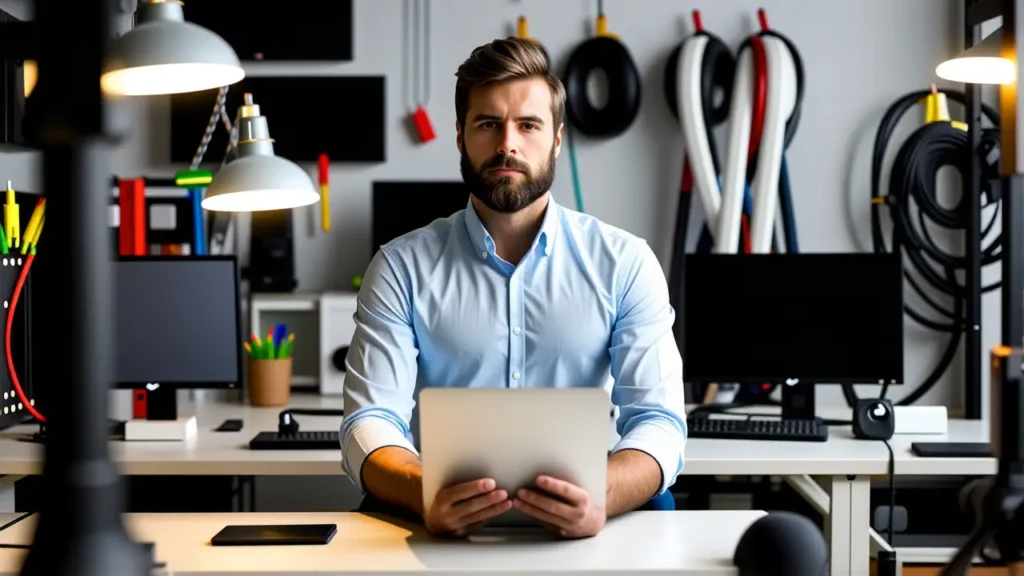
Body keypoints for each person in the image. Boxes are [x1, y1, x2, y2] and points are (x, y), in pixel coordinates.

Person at [341, 37, 687, 539]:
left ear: (557, 140)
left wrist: (601, 497)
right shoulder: (400, 266)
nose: (508, 143)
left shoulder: (625, 263)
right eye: (488, 124)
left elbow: (659, 421)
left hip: (590, 522)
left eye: (528, 125)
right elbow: (369, 420)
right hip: (441, 520)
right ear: (459, 136)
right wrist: (423, 493)